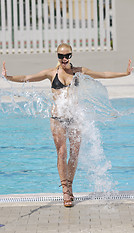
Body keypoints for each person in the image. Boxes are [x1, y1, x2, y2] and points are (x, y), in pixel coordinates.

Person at [2, 43, 133, 207]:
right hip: (58, 118)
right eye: (61, 56)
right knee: (62, 152)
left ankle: (70, 185)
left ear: (71, 56)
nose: (64, 59)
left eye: (67, 56)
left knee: (75, 153)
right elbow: (28, 78)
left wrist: (125, 73)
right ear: (57, 56)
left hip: (74, 117)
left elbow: (103, 74)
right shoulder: (51, 73)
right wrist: (8, 77)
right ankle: (65, 191)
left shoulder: (79, 71)